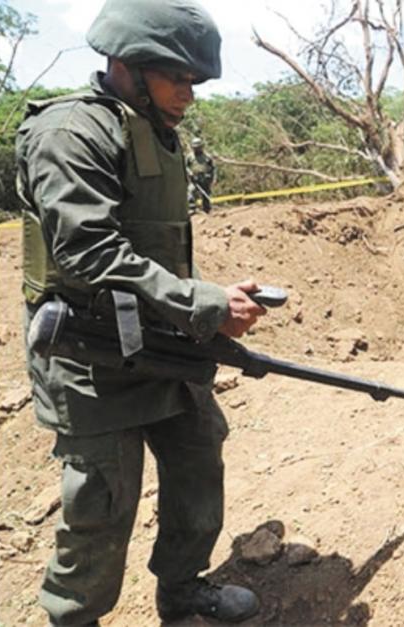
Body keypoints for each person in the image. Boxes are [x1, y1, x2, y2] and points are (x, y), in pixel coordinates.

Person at [14, 0, 266, 624]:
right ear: (128, 64)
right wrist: (201, 304)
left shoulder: (154, 131)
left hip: (158, 345)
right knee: (101, 502)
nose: (189, 93)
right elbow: (87, 249)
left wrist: (208, 300)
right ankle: (74, 617)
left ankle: (183, 590)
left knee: (198, 459)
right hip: (89, 354)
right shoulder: (71, 132)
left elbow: (157, 248)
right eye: (177, 77)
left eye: (194, 81)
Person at [187, 136, 216, 213]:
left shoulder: (207, 157)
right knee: (191, 192)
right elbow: (186, 166)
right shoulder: (190, 157)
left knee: (206, 194)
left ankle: (207, 210)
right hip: (195, 179)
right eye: (195, 147)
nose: (196, 149)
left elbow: (212, 168)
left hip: (205, 178)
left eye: (198, 147)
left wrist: (211, 178)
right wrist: (190, 173)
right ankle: (192, 208)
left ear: (201, 147)